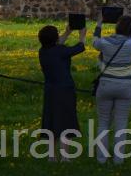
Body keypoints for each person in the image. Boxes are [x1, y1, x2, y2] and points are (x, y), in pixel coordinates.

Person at [93, 15, 131, 164]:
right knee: (121, 123)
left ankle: (101, 158)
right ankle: (118, 159)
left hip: (106, 85)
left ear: (116, 27)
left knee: (103, 123)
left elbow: (94, 41)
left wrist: (99, 24)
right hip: (125, 86)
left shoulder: (105, 42)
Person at [38, 23, 87, 162]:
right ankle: (65, 156)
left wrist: (67, 32)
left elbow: (56, 45)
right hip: (65, 89)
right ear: (55, 39)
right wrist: (82, 35)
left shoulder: (43, 51)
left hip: (50, 90)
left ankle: (51, 156)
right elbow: (80, 47)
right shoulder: (60, 51)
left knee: (51, 120)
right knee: (65, 120)